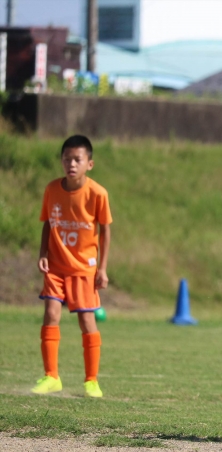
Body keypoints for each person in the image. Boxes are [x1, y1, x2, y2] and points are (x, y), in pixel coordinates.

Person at [32, 135, 112, 399]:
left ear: (90, 163)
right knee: (51, 313)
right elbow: (48, 222)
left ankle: (91, 381)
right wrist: (43, 253)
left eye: (77, 159)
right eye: (67, 159)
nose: (71, 164)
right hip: (56, 266)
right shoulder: (52, 189)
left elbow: (105, 231)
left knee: (87, 320)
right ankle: (51, 376)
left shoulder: (98, 193)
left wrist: (102, 268)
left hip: (83, 269)